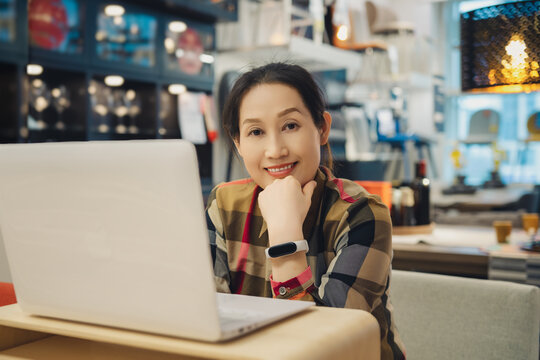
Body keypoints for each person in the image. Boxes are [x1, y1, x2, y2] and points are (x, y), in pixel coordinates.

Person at [206, 62, 405, 359]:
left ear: (322, 128)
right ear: (238, 143)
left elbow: (330, 348)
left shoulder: (362, 214)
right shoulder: (223, 205)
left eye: (290, 126)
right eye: (256, 131)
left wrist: (286, 237)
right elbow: (206, 317)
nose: (275, 150)